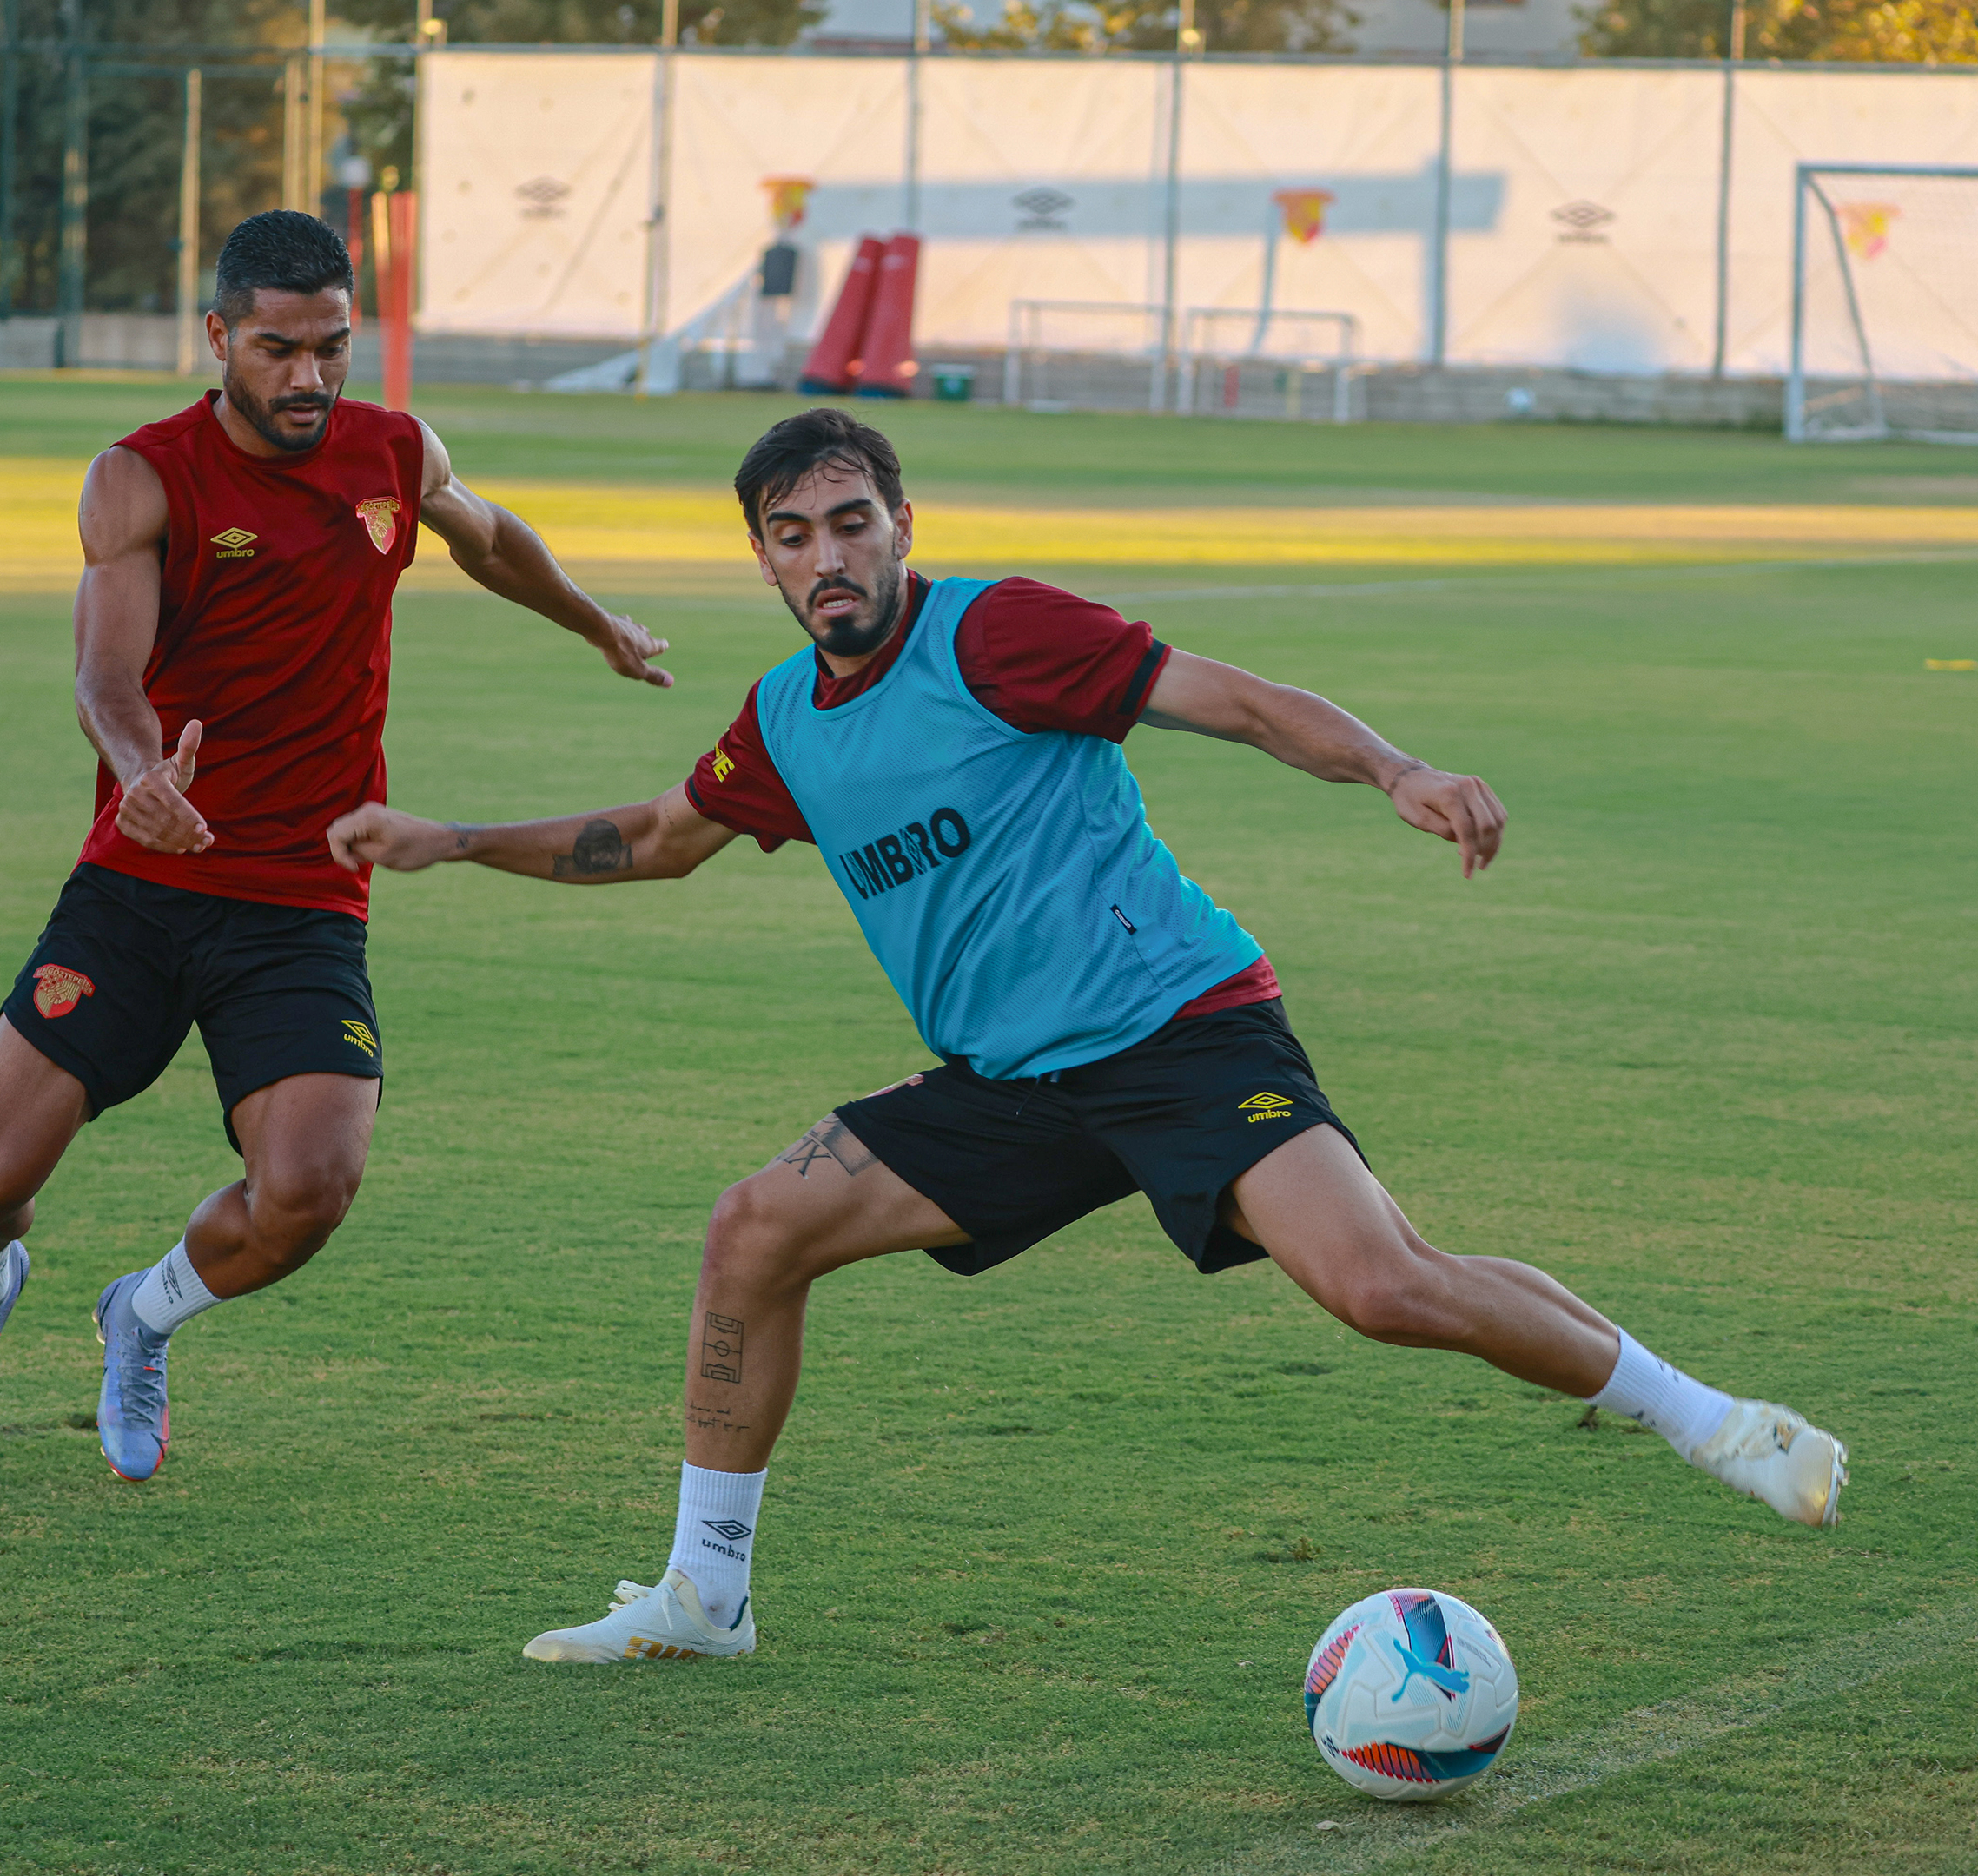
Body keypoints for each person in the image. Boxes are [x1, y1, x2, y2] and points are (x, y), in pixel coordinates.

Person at [329, 408, 1847, 1665]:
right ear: (764, 561)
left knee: (1381, 1285)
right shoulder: (785, 716)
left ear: (900, 523)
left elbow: (1237, 703)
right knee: (753, 1231)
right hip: (1004, 1086)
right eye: (793, 536)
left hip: (1180, 1030)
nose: (828, 557)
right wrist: (453, 839)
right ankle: (703, 1598)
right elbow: (658, 839)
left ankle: (1716, 1422)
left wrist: (1398, 770)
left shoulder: (1000, 637)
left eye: (852, 521)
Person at [0, 211, 672, 1482]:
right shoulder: (142, 475)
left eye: (333, 346)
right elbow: (103, 670)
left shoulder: (393, 451)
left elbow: (488, 536)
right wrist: (143, 775)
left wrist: (597, 624)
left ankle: (139, 1316)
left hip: (305, 899)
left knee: (306, 1193)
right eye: (277, 349)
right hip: (141, 884)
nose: (309, 377)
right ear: (218, 340)